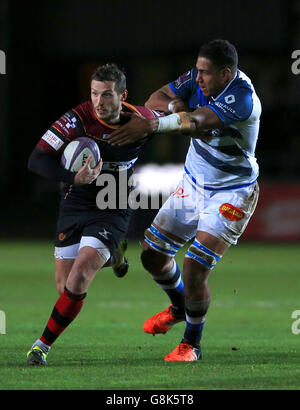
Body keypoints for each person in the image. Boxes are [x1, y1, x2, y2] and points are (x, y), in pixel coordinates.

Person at [108, 39, 261, 361]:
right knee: (152, 254)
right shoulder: (199, 78)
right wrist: (177, 106)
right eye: (198, 70)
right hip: (193, 184)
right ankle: (179, 306)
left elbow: (197, 122)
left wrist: (153, 124)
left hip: (232, 191)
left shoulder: (242, 97)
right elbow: (157, 97)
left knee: (194, 265)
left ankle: (191, 344)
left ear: (226, 73)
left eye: (205, 73)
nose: (198, 77)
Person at [26, 63, 162, 365]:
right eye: (94, 94)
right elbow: (36, 160)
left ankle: (41, 346)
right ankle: (114, 257)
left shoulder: (142, 121)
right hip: (76, 200)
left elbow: (173, 119)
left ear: (122, 95)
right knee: (65, 288)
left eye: (107, 95)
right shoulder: (76, 120)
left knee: (80, 277)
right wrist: (73, 177)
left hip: (113, 201)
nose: (99, 102)